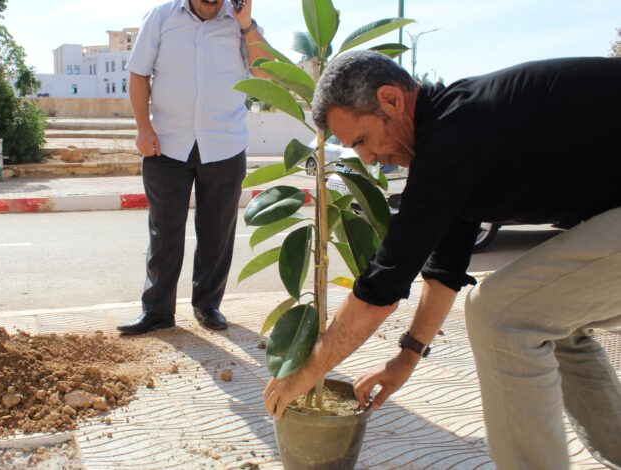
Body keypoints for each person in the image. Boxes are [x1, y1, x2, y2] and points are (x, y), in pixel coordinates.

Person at [264, 51, 621, 470]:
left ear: (391, 100)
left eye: (361, 140)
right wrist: (405, 360)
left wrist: (304, 372)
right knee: (551, 317)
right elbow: (445, 270)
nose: (368, 158)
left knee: (500, 314)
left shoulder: (454, 134)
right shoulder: (458, 133)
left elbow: (381, 288)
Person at [117, 0, 272, 335]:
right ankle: (157, 312)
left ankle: (208, 305)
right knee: (164, 233)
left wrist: (246, 24)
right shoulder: (161, 17)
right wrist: (143, 127)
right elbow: (139, 73)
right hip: (166, 144)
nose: (212, 4)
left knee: (217, 232)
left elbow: (265, 73)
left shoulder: (241, 23)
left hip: (225, 145)